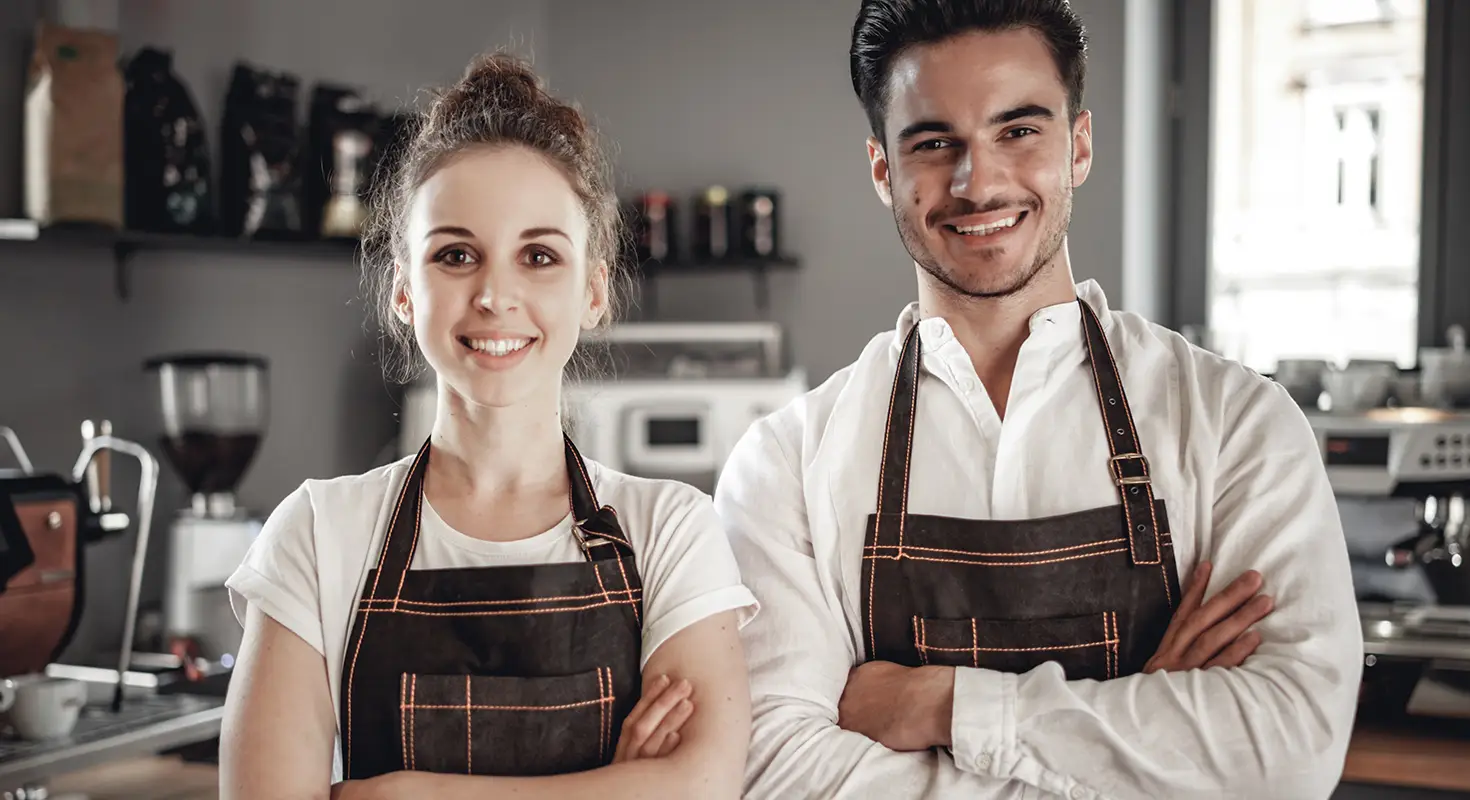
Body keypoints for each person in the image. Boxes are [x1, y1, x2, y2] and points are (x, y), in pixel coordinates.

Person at [713, 1, 1364, 798]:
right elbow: (779, 772)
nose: (977, 181)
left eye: (1018, 131)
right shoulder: (784, 465)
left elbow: (1289, 752)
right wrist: (1145, 726)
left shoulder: (1235, 425)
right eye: (932, 142)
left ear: (1078, 145)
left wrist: (943, 705)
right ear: (883, 169)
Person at [218, 52, 756, 800]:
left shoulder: (670, 531)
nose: (496, 295)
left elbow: (700, 789)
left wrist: (411, 794)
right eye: (456, 255)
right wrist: (615, 783)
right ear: (405, 291)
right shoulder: (316, 534)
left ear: (593, 290)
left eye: (538, 256)